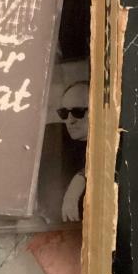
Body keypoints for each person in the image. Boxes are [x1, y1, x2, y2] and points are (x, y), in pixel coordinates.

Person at [56, 80, 88, 222]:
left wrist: (81, 177)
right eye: (64, 113)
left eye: (78, 112)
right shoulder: (54, 138)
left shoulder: (120, 139)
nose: (70, 120)